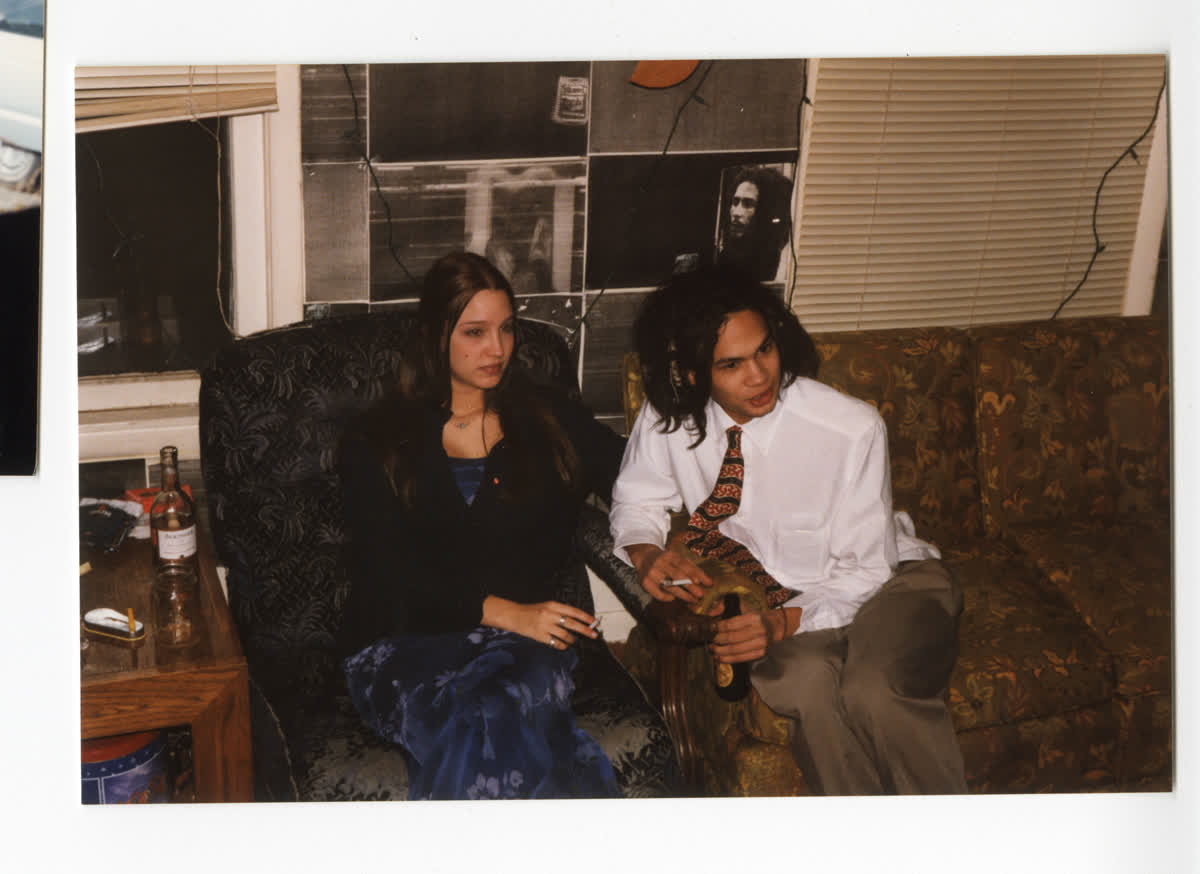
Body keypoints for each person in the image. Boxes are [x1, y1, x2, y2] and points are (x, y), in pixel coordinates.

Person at [609, 264, 967, 795]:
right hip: (793, 601)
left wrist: (779, 624)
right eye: (731, 364)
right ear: (691, 374)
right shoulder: (672, 417)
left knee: (874, 690)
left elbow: (868, 571)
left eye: (765, 350)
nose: (759, 376)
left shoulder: (848, 429)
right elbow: (638, 499)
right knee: (800, 682)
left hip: (893, 582)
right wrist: (645, 554)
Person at [337, 251, 626, 800]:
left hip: (524, 645)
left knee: (497, 704)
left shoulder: (549, 419)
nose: (497, 349)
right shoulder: (377, 439)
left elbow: (634, 477)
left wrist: (653, 544)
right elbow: (386, 572)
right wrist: (506, 612)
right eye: (475, 332)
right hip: (403, 642)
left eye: (506, 329)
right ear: (435, 335)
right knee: (482, 715)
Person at [715, 165, 792, 281]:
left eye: (748, 204)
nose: (736, 213)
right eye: (735, 202)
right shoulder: (727, 256)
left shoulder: (784, 261)